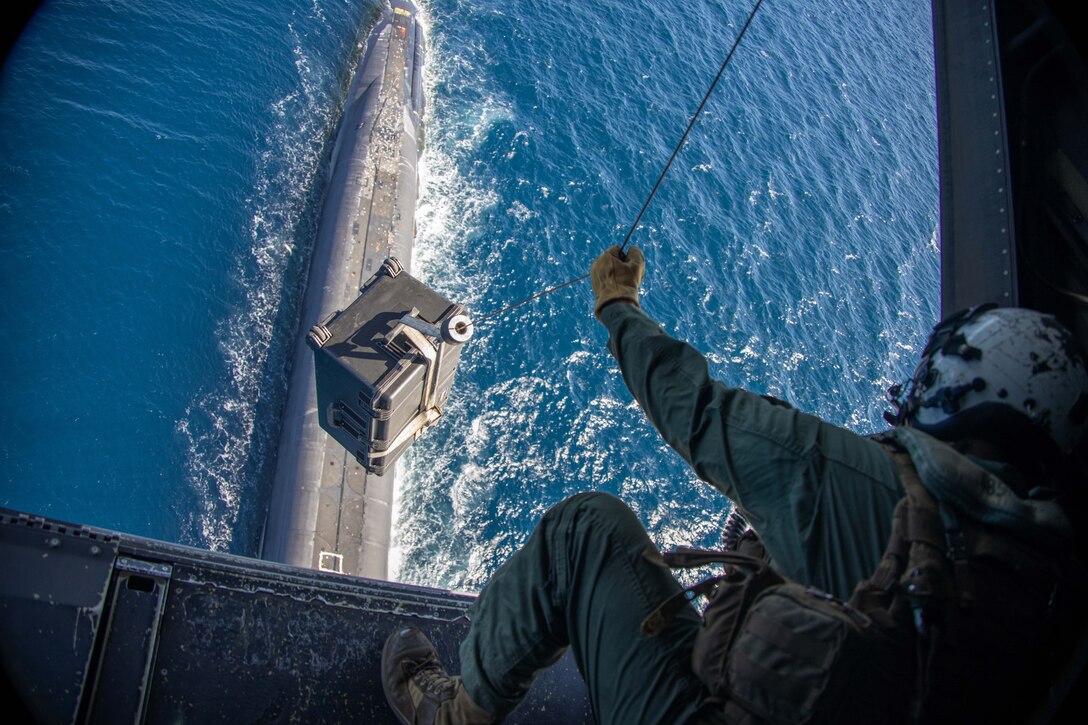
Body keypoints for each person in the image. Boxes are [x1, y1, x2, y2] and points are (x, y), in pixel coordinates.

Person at [381, 246, 1088, 724]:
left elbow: (699, 412)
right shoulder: (1048, 588)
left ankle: (453, 713)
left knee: (585, 530)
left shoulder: (868, 486)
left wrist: (618, 306)